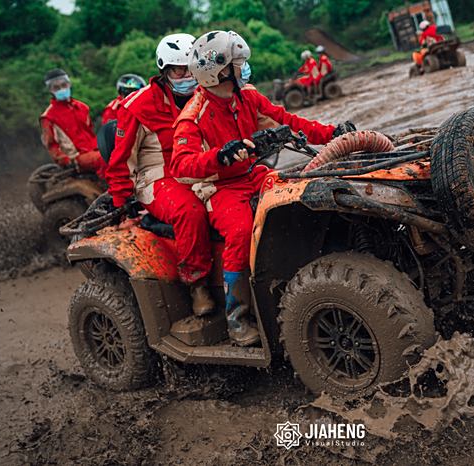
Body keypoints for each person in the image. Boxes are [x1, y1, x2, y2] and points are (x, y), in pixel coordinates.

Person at [171, 30, 354, 346]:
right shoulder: (192, 117)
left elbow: (288, 120)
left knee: (292, 195)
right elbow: (181, 166)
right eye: (239, 63)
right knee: (241, 231)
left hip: (251, 174)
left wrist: (333, 133)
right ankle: (237, 319)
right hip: (218, 188)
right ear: (220, 70)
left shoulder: (248, 96)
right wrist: (219, 155)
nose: (244, 68)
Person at [105, 33, 216, 315]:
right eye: (180, 70)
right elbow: (120, 161)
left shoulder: (207, 94)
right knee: (190, 211)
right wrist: (122, 205)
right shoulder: (138, 105)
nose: (187, 75)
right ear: (164, 71)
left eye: (191, 68)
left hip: (201, 167)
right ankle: (197, 283)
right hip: (159, 177)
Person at [40, 68, 105, 176]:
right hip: (76, 157)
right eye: (56, 87)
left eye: (64, 85)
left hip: (94, 149)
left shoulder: (82, 107)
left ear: (69, 84)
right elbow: (52, 146)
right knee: (107, 159)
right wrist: (64, 160)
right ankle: (117, 190)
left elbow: (90, 133)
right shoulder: (48, 117)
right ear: (51, 90)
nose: (61, 89)